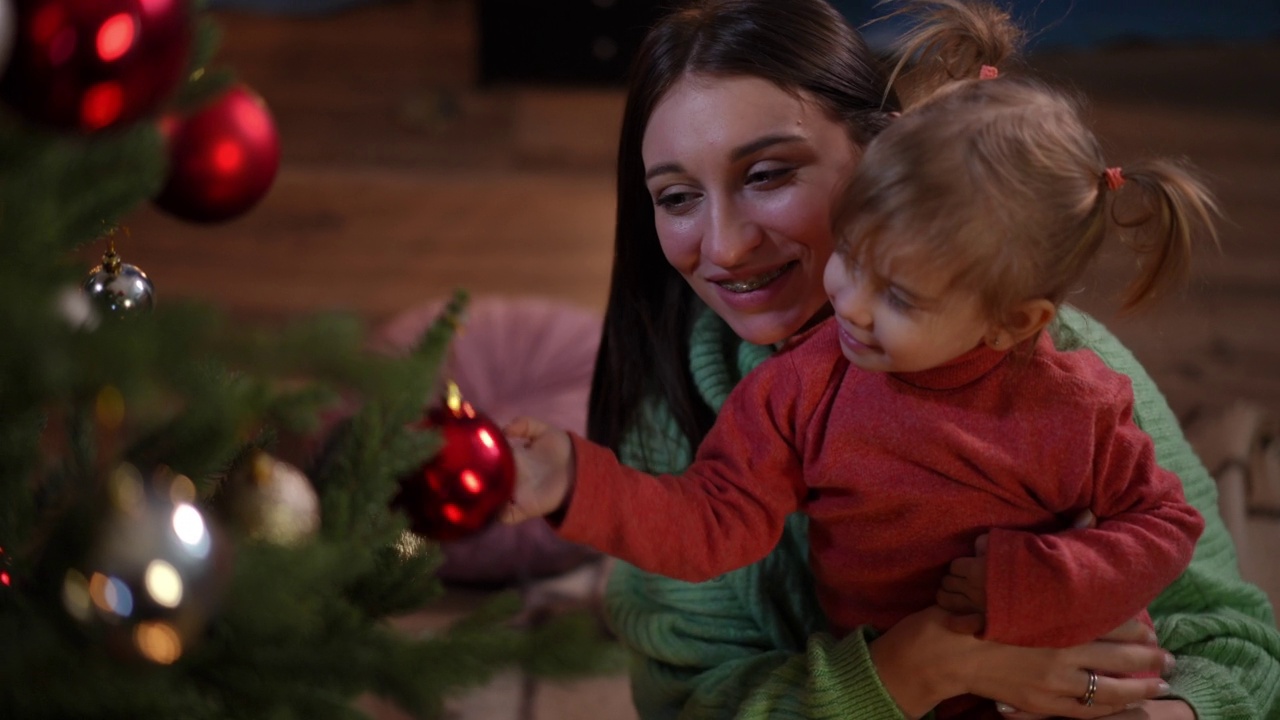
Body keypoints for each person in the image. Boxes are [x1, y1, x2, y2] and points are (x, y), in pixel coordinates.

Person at [519, 1, 1280, 718]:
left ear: (878, 152)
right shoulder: (762, 396)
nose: (723, 247)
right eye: (677, 196)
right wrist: (922, 668)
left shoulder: (1076, 385)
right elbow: (692, 681)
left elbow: (1236, 649)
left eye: (767, 174)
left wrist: (1145, 696)